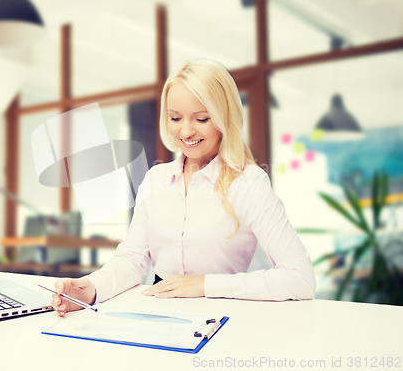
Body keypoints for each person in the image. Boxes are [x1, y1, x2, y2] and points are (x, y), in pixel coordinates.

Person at [52, 58, 316, 316]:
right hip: (158, 315)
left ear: (225, 118)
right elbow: (132, 259)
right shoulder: (156, 180)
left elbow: (300, 278)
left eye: (201, 119)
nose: (186, 131)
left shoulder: (249, 183)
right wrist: (91, 290)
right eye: (175, 117)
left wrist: (203, 285)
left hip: (221, 318)